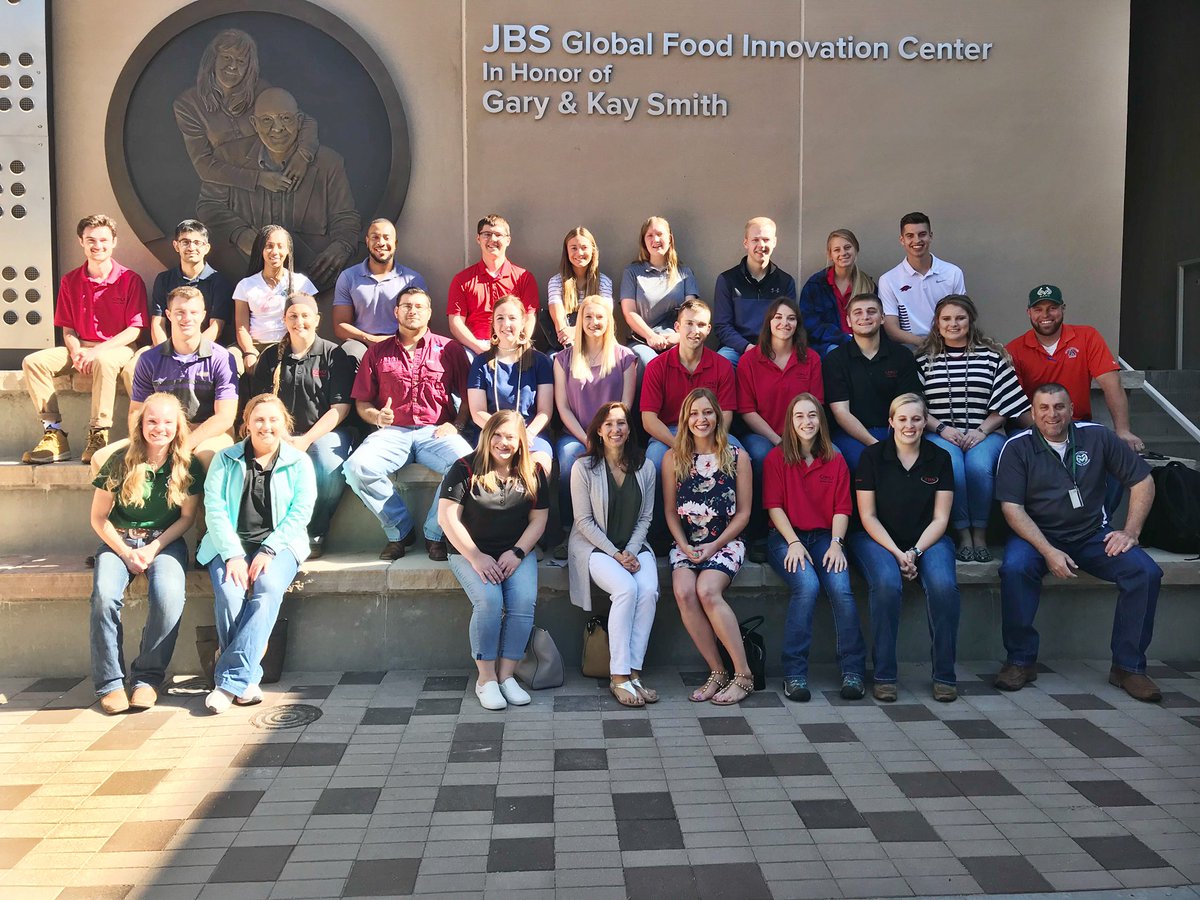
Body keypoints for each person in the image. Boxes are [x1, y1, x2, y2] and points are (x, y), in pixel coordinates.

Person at [994, 383, 1163, 702]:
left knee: (1145, 572)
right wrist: (1048, 551)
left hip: (1090, 535)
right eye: (1043, 408)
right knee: (1014, 569)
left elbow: (1142, 481)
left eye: (1059, 407)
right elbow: (1011, 509)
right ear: (1032, 413)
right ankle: (1020, 661)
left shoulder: (1097, 436)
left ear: (1072, 409)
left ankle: (1128, 668)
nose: (1051, 414)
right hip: (1036, 537)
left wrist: (1130, 531)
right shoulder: (1017, 447)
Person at [198, 393, 316, 714]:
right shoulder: (225, 459)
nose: (266, 426)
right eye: (258, 420)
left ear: (284, 424)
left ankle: (227, 683)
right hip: (229, 546)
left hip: (279, 546)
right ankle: (247, 680)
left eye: (273, 419)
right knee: (229, 592)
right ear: (246, 425)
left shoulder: (299, 462)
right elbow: (215, 509)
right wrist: (233, 554)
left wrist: (269, 548)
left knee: (266, 590)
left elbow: (300, 512)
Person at [89, 393, 204, 714]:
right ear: (140, 424)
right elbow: (98, 518)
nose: (159, 428)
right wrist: (126, 552)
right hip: (119, 541)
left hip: (164, 543)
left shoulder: (187, 464)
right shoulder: (120, 460)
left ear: (178, 426)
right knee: (103, 596)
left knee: (168, 597)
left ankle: (147, 678)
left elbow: (186, 518)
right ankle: (110, 682)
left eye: (167, 422)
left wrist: (153, 547)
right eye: (152, 421)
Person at [344, 287, 472, 561]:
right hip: (392, 432)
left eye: (418, 306)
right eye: (406, 306)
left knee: (470, 464)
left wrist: (457, 425)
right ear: (396, 311)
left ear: (429, 312)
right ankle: (400, 531)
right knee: (356, 467)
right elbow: (362, 404)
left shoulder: (449, 348)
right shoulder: (377, 353)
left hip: (436, 431)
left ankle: (435, 533)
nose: (412, 311)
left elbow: (470, 395)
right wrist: (377, 417)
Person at [847, 393, 960, 702]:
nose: (909, 425)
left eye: (916, 419)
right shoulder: (871, 457)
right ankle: (884, 675)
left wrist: (916, 552)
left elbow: (940, 518)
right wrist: (898, 553)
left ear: (925, 422)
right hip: (876, 539)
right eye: (903, 419)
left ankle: (945, 675)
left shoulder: (940, 458)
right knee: (886, 583)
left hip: (927, 539)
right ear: (891, 422)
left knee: (944, 586)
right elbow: (867, 516)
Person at [439, 410, 549, 711]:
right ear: (487, 436)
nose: (503, 442)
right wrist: (476, 556)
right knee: (489, 600)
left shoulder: (533, 471)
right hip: (469, 551)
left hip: (514, 551)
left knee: (524, 600)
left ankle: (506, 676)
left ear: (520, 441)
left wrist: (517, 553)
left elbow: (538, 521)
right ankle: (486, 679)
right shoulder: (464, 468)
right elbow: (447, 518)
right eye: (497, 435)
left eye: (511, 437)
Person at [196, 87, 359, 289]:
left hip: (309, 277)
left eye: (286, 118)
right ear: (254, 124)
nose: (278, 128)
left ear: (299, 121)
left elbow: (345, 217)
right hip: (246, 273)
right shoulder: (228, 157)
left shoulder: (329, 163)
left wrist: (341, 246)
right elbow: (210, 205)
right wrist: (241, 234)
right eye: (267, 120)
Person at [764, 393, 865, 702]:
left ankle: (853, 671)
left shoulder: (834, 459)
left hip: (825, 537)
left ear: (821, 421)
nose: (806, 422)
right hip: (785, 537)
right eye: (799, 417)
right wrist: (793, 541)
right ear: (790, 423)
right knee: (806, 586)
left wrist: (837, 544)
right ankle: (794, 675)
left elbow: (842, 508)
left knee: (841, 586)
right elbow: (774, 506)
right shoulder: (776, 458)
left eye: (812, 416)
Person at [22, 214, 147, 465]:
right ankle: (53, 432)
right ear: (81, 241)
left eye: (103, 240)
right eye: (90, 240)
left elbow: (134, 331)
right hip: (80, 347)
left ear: (114, 242)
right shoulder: (70, 281)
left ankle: (98, 433)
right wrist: (78, 350)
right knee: (33, 362)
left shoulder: (129, 279)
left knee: (103, 361)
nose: (97, 246)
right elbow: (68, 329)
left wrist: (97, 351)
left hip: (118, 347)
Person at [917, 295, 1030, 561]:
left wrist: (982, 431)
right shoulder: (924, 360)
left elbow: (1006, 402)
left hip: (985, 433)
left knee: (978, 467)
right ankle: (962, 533)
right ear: (936, 323)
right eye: (946, 319)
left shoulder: (992, 357)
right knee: (952, 467)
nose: (953, 324)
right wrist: (943, 428)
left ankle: (980, 533)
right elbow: (916, 405)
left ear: (971, 320)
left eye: (960, 318)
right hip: (940, 433)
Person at [664, 388, 754, 705]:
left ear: (717, 416)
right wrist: (683, 544)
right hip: (688, 544)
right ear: (685, 420)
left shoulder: (737, 457)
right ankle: (717, 671)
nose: (701, 419)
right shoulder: (673, 458)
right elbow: (670, 512)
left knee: (706, 590)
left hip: (725, 541)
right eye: (694, 413)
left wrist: (716, 544)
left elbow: (743, 513)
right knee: (684, 591)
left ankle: (743, 674)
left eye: (707, 412)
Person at [250, 293, 357, 558]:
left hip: (325, 433)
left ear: (317, 320)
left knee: (326, 461)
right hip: (278, 432)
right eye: (293, 316)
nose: (299, 322)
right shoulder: (271, 357)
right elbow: (261, 404)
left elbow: (340, 409)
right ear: (284, 320)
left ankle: (315, 529)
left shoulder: (334, 355)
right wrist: (282, 436)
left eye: (305, 315)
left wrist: (305, 440)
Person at [94, 285, 239, 477]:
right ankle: (125, 507)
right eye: (180, 312)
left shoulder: (221, 358)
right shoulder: (149, 359)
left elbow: (225, 418)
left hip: (209, 435)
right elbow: (137, 411)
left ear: (203, 315)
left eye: (193, 312)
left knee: (207, 458)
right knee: (101, 459)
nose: (187, 318)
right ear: (169, 315)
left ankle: (199, 508)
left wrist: (184, 444)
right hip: (160, 433)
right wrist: (146, 444)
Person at [568, 402, 658, 707]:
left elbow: (646, 517)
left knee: (647, 591)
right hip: (595, 547)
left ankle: (634, 673)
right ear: (598, 430)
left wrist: (631, 550)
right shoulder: (583, 468)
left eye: (621, 423)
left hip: (634, 546)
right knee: (626, 589)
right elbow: (583, 522)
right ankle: (618, 676)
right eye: (608, 424)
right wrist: (616, 553)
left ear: (629, 428)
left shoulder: (646, 467)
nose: (615, 429)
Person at [174, 29, 318, 195]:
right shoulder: (187, 104)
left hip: (275, 187)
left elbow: (306, 122)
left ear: (250, 66)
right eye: (227, 57)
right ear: (212, 60)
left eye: (241, 61)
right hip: (224, 192)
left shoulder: (262, 91)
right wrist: (258, 179)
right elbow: (203, 165)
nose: (233, 66)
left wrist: (303, 157)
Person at [1007, 284, 1145, 453]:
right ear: (1029, 312)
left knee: (1114, 456)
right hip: (1033, 429)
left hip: (1078, 425)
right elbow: (1015, 403)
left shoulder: (1087, 336)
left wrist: (1123, 430)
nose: (1045, 315)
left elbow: (1112, 384)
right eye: (1038, 309)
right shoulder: (1014, 349)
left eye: (1053, 308)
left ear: (1063, 308)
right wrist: (1048, 432)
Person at [736, 298, 822, 559]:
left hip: (805, 433)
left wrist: (799, 439)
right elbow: (747, 410)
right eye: (778, 318)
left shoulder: (811, 359)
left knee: (833, 455)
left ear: (798, 324)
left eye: (791, 318)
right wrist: (777, 439)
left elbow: (816, 405)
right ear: (769, 323)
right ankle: (761, 534)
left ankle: (818, 531)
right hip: (763, 434)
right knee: (763, 457)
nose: (784, 323)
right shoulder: (750, 360)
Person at [553, 295, 637, 528]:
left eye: (599, 317)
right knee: (570, 460)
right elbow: (563, 407)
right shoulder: (563, 359)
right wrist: (587, 438)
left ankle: (615, 528)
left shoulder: (625, 358)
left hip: (615, 433)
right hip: (577, 434)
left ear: (609, 321)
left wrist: (609, 435)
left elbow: (626, 406)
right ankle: (570, 529)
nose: (594, 322)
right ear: (579, 321)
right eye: (587, 316)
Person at [641, 299, 740, 479]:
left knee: (741, 459)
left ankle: (736, 508)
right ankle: (661, 509)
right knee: (654, 462)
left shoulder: (722, 366)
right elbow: (648, 419)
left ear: (709, 329)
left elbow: (726, 414)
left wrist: (710, 443)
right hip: (670, 432)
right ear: (677, 327)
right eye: (689, 324)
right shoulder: (657, 367)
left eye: (701, 325)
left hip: (711, 430)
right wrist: (680, 446)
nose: (695, 331)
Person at [823, 293, 923, 471]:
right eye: (858, 313)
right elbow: (841, 413)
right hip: (851, 435)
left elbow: (910, 404)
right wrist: (875, 445)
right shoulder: (835, 359)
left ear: (883, 317)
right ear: (848, 320)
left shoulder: (902, 356)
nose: (865, 317)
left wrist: (898, 440)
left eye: (871, 311)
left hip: (895, 431)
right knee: (866, 464)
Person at [466, 295, 554, 472]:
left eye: (512, 318)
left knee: (538, 468)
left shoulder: (541, 362)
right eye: (500, 318)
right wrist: (503, 435)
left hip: (530, 433)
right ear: (493, 324)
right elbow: (477, 411)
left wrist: (525, 434)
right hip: (491, 432)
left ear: (523, 323)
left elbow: (545, 411)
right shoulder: (481, 363)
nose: (506, 324)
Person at [138, 219, 233, 379]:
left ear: (206, 248)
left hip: (205, 349)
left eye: (197, 243)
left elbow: (216, 327)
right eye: (185, 242)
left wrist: (188, 354)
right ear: (176, 246)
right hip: (166, 348)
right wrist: (168, 354)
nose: (191, 247)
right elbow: (158, 323)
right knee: (131, 370)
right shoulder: (163, 279)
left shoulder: (219, 281)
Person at [332, 218, 428, 362]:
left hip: (401, 342)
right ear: (367, 241)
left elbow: (421, 324)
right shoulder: (348, 277)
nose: (381, 243)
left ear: (395, 243)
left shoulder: (412, 280)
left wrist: (393, 340)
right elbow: (340, 325)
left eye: (386, 238)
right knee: (347, 353)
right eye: (375, 237)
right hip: (361, 342)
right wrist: (369, 339)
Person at [448, 215, 539, 358]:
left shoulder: (524, 277)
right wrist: (479, 348)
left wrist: (518, 343)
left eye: (498, 235)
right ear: (478, 239)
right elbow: (455, 322)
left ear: (508, 240)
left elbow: (529, 317)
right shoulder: (462, 280)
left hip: (514, 343)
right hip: (474, 347)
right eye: (486, 234)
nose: (492, 239)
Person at [232, 224, 318, 374]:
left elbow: (309, 322)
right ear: (261, 250)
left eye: (280, 246)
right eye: (269, 246)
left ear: (288, 250)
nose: (275, 252)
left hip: (289, 345)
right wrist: (249, 352)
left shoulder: (301, 283)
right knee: (230, 360)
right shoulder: (245, 285)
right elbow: (241, 327)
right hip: (255, 346)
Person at [713, 217, 798, 366]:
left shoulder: (785, 282)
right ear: (746, 243)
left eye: (766, 239)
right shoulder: (727, 280)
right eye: (755, 240)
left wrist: (770, 349)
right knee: (722, 363)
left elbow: (790, 323)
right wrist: (747, 348)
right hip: (736, 350)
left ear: (774, 242)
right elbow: (722, 326)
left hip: (774, 348)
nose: (761, 245)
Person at [620, 216, 700, 367]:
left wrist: (679, 337)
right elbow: (629, 312)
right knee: (649, 362)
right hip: (642, 341)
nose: (655, 239)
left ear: (670, 239)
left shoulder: (685, 273)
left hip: (679, 340)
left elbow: (693, 312)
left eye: (659, 234)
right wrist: (651, 337)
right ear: (644, 241)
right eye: (649, 235)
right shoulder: (632, 272)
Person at [878, 212, 966, 349]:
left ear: (931, 236)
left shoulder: (953, 273)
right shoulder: (888, 280)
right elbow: (891, 329)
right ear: (902, 240)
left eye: (922, 234)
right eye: (910, 236)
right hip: (911, 348)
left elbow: (962, 316)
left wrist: (944, 343)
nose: (917, 240)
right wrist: (923, 343)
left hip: (949, 343)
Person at [798, 228, 876, 357]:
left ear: (856, 249)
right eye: (837, 250)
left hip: (863, 345)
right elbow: (809, 324)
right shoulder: (815, 285)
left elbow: (877, 321)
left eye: (847, 247)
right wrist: (844, 339)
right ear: (830, 255)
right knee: (835, 353)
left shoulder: (868, 285)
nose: (843, 253)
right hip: (828, 346)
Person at [540, 226, 613, 353]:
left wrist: (576, 331)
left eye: (584, 248)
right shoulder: (556, 282)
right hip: (566, 344)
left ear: (593, 250)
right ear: (566, 251)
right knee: (553, 359)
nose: (579, 253)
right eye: (574, 248)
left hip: (596, 343)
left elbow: (605, 317)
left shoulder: (604, 282)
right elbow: (560, 324)